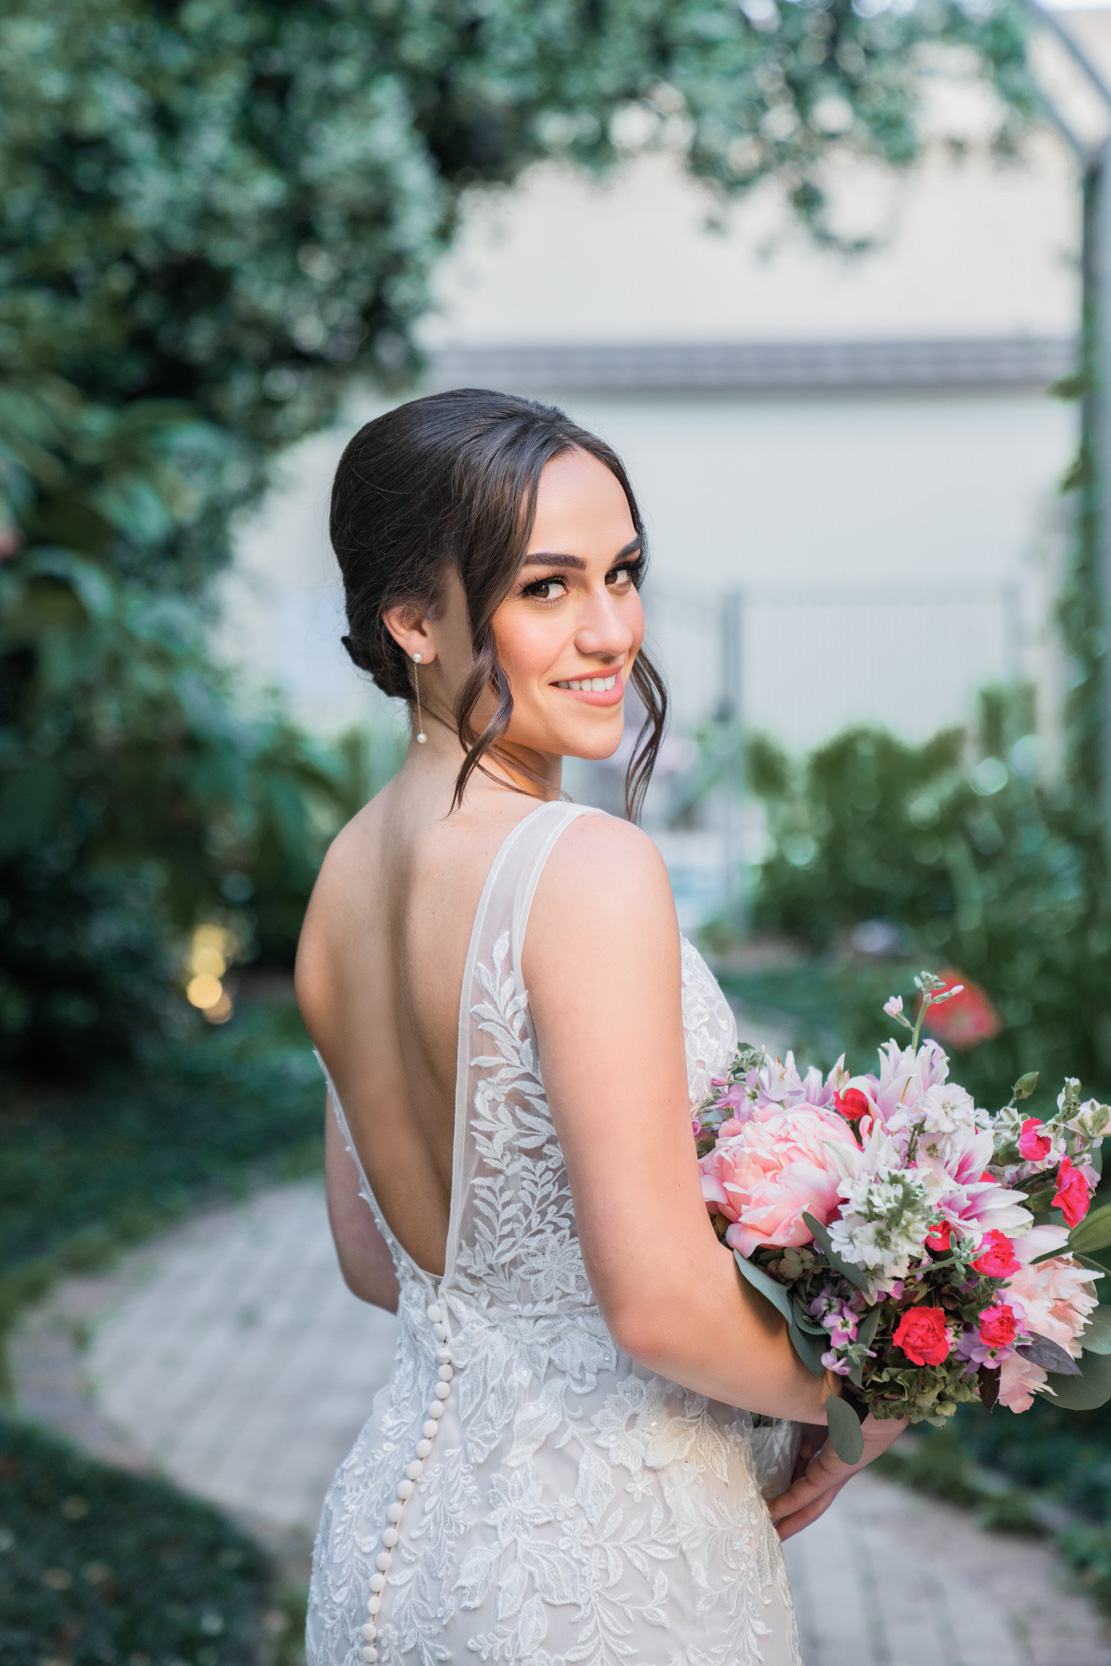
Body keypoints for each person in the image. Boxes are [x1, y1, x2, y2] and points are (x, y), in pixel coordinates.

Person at [295, 389, 905, 1666]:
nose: (610, 630)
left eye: (621, 574)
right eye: (545, 589)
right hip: (604, 1577)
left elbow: (378, 1258)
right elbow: (657, 1305)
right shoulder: (583, 866)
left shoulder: (343, 878)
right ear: (413, 619)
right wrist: (862, 1392)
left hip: (393, 1551)